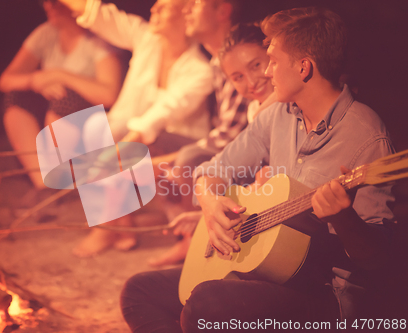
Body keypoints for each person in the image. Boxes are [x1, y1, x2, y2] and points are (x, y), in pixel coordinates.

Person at [120, 7, 396, 332]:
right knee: (139, 292)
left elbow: (378, 259)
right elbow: (212, 170)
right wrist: (210, 204)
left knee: (206, 305)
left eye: (273, 62)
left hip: (329, 296)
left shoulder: (366, 136)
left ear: (304, 68)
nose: (267, 72)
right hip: (271, 269)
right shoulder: (278, 116)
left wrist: (343, 216)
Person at [59, 0, 215, 257]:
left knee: (120, 139)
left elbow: (164, 112)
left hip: (182, 144)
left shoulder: (200, 70)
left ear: (184, 17)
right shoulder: (147, 39)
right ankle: (120, 224)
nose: (153, 10)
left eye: (164, 8)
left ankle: (108, 227)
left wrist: (125, 144)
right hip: (140, 137)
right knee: (102, 128)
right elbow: (98, 15)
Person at [149, 22, 277, 267]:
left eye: (257, 66)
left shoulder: (284, 105)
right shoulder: (255, 108)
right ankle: (194, 234)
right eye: (237, 77)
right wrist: (206, 208)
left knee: (187, 159)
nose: (251, 82)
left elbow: (230, 142)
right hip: (244, 174)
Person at [0, 0, 122, 190]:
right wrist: (35, 81)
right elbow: (6, 81)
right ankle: (41, 183)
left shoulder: (98, 38)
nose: (48, 6)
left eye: (56, 3)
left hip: (88, 122)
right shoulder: (46, 33)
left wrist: (60, 76)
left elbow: (109, 95)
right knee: (16, 98)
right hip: (51, 117)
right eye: (46, 2)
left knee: (64, 99)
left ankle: (60, 178)